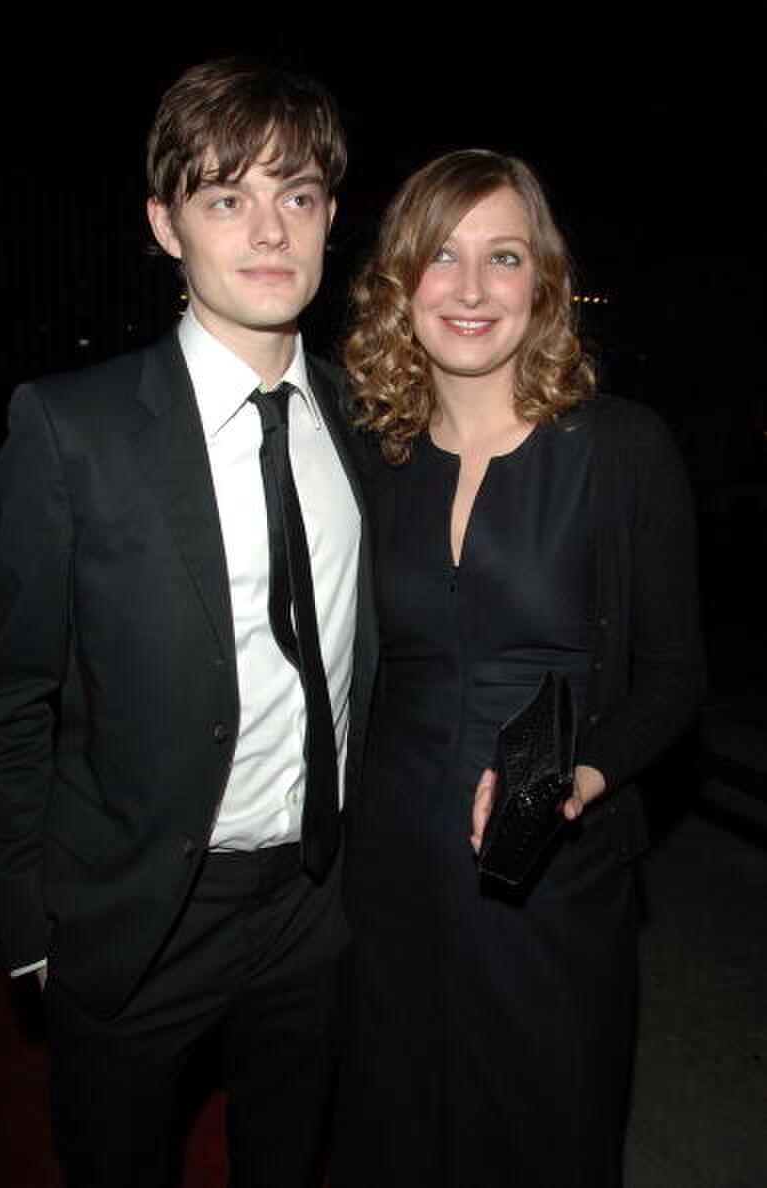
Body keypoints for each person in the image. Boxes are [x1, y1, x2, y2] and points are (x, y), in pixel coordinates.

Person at [0, 58, 377, 1188]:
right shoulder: (71, 429)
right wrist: (35, 934)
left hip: (316, 909)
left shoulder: (366, 418)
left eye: (296, 195)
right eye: (223, 196)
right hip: (139, 918)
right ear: (164, 223)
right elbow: (5, 703)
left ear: (332, 218)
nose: (268, 229)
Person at [332, 149, 705, 1188]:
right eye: (440, 256)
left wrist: (578, 776)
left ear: (540, 281)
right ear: (399, 282)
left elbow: (674, 673)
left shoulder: (621, 449)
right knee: (396, 1127)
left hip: (550, 872)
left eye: (501, 257)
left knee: (541, 1127)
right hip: (389, 869)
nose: (468, 289)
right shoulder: (373, 456)